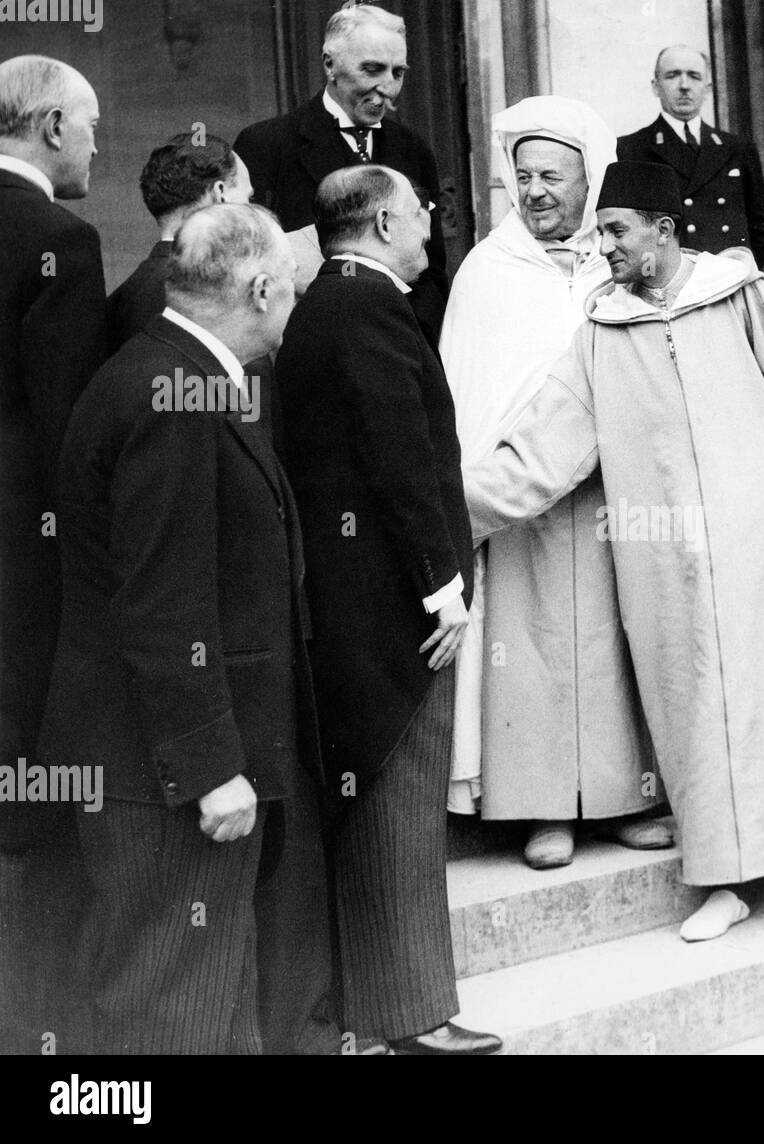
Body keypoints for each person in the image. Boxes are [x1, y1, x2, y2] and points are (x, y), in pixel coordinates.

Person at [462, 161, 764, 943]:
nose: (605, 250)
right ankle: (727, 878)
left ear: (664, 232)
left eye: (618, 232)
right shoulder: (601, 331)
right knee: (698, 713)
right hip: (666, 567)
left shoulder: (738, 293)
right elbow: (542, 449)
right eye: (601, 235)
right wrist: (440, 509)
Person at [39, 203, 338, 1053]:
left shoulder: (177, 375)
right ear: (260, 285)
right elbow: (162, 602)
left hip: (158, 758)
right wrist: (212, 768)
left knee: (192, 996)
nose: (295, 300)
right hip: (163, 772)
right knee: (178, 1006)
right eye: (290, 285)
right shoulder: (172, 395)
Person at [276, 165, 500, 1055]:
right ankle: (412, 1018)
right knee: (401, 808)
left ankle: (376, 1014)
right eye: (418, 213)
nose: (428, 228)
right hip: (394, 613)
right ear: (377, 222)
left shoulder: (323, 304)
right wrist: (441, 584)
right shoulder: (367, 307)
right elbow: (400, 454)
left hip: (353, 607)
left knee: (376, 808)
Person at [440, 96, 666, 867]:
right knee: (529, 651)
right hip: (519, 504)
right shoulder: (487, 272)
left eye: (554, 178)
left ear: (590, 181)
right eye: (523, 177)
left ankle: (623, 800)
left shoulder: (620, 263)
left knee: (614, 642)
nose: (536, 192)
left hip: (613, 496)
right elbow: (471, 390)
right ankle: (543, 811)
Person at [0, 53, 106, 1054]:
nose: (95, 144)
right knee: (35, 794)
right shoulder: (61, 242)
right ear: (48, 130)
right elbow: (71, 430)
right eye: (88, 126)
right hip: (26, 572)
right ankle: (42, 1033)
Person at [234, 2, 449, 341]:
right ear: (329, 64)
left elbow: (433, 272)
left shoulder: (414, 151)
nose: (388, 88)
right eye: (372, 70)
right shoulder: (267, 145)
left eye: (398, 73)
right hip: (311, 346)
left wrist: (410, 335)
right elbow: (249, 266)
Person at [617, 44, 764, 268]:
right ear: (656, 87)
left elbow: (760, 227)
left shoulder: (738, 148)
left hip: (729, 278)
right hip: (670, 281)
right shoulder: (631, 149)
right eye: (672, 75)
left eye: (694, 76)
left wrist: (741, 273)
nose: (684, 86)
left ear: (707, 89)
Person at [107, 132, 253, 350]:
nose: (253, 211)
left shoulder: (127, 294)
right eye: (248, 198)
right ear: (220, 192)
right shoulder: (205, 289)